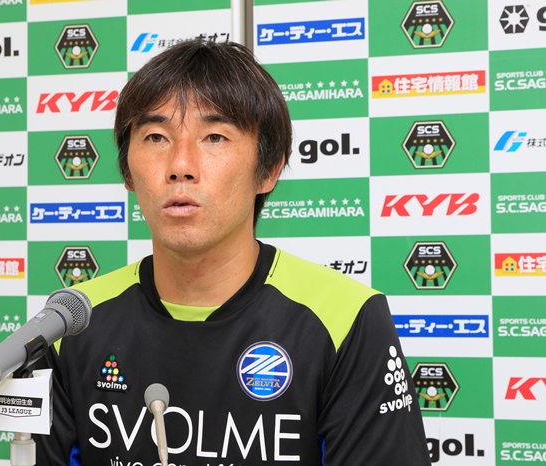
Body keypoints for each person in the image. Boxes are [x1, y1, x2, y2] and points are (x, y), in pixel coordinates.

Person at [33, 39, 430, 465]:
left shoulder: (346, 318)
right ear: (127, 171)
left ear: (269, 169)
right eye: (156, 137)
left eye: (214, 137)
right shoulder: (72, 322)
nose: (180, 165)